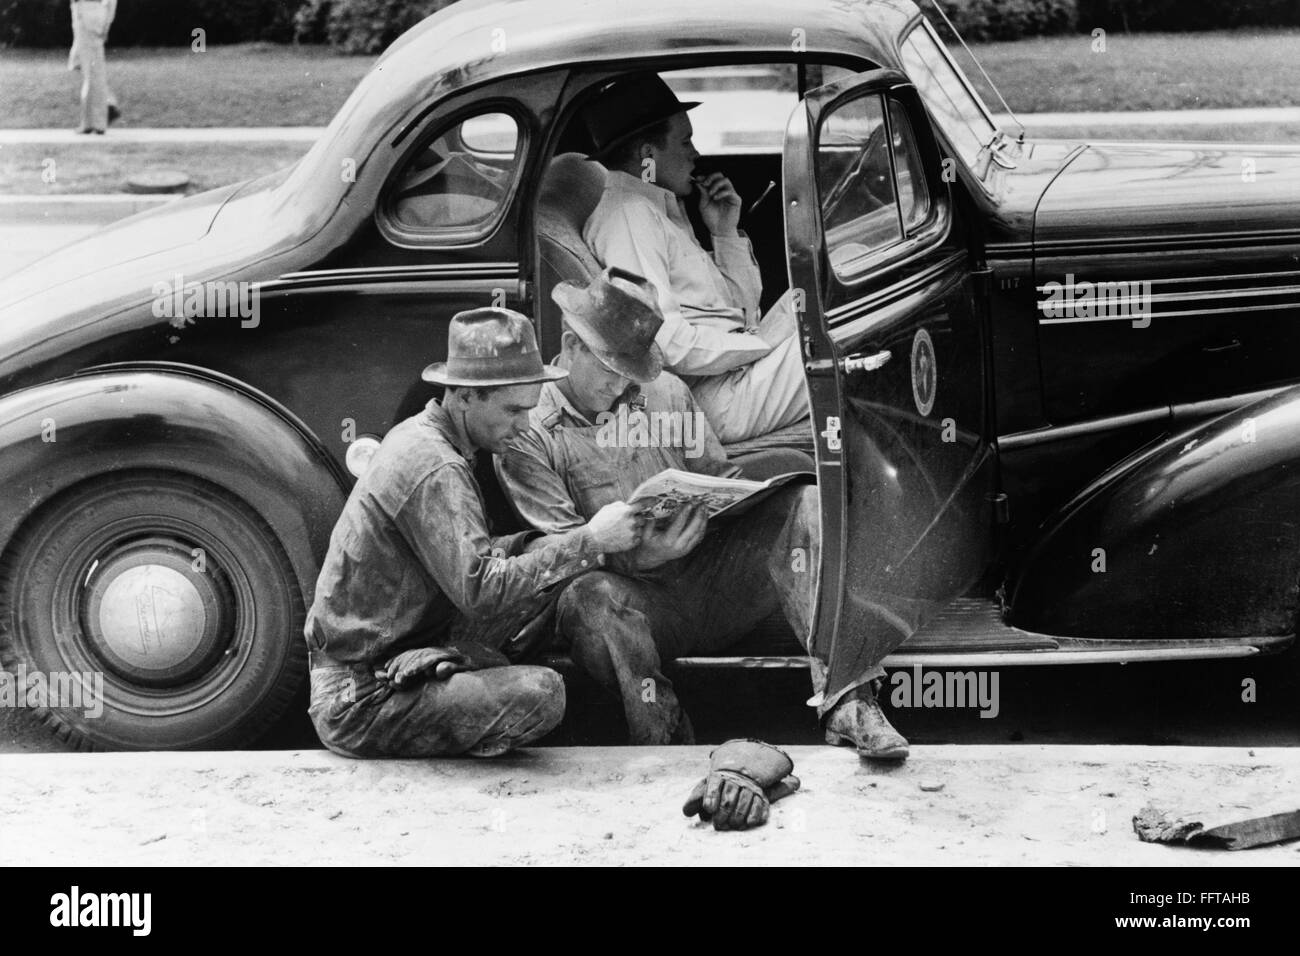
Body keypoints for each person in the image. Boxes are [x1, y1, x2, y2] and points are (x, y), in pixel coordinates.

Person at [497, 269, 909, 758]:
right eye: (612, 371)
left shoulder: (668, 393)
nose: (620, 387)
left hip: (711, 583)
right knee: (590, 598)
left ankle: (849, 703)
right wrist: (638, 557)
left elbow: (720, 477)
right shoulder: (527, 433)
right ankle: (665, 739)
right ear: (571, 345)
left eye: (633, 373)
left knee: (807, 504)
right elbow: (555, 560)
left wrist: (732, 500)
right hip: (638, 609)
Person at [304, 307, 646, 758]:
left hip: (398, 643)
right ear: (464, 397)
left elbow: (470, 563)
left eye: (529, 409)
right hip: (360, 695)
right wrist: (592, 541)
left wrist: (542, 547)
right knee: (543, 694)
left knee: (552, 569)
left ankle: (452, 663)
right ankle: (448, 676)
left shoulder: (433, 436)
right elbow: (481, 591)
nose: (524, 425)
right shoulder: (437, 465)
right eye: (512, 410)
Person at [581, 72, 810, 445]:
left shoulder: (659, 208)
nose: (697, 154)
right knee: (852, 334)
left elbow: (743, 308)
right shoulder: (629, 216)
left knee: (842, 272)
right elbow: (665, 343)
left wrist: (723, 231)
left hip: (735, 373)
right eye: (685, 141)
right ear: (648, 154)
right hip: (718, 399)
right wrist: (761, 345)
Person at [68, 0, 120, 135]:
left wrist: (107, 21)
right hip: (90, 15)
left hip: (86, 15)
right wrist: (107, 20)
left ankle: (95, 122)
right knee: (86, 66)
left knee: (91, 72)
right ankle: (95, 119)